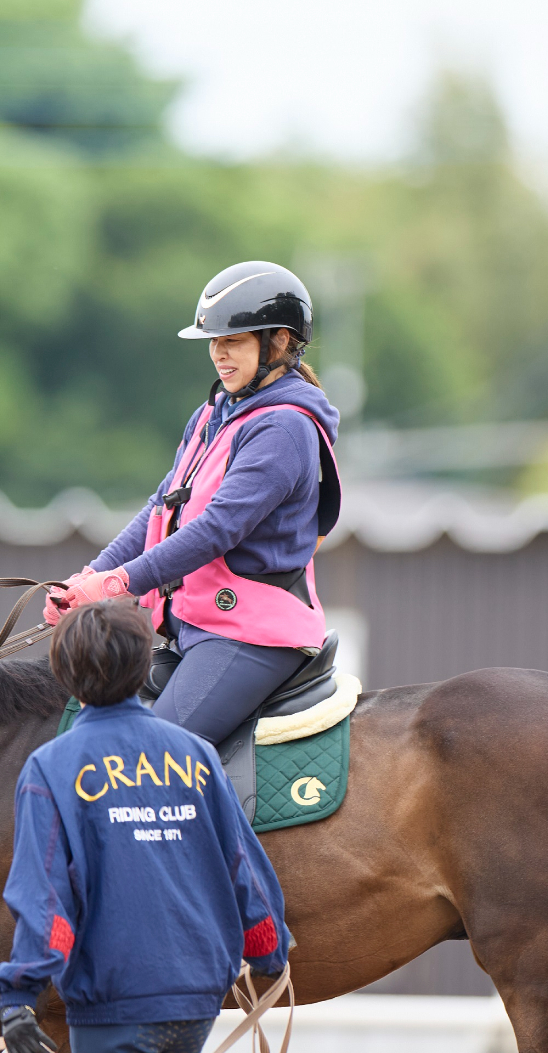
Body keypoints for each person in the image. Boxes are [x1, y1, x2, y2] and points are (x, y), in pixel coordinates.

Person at [0, 600, 293, 1053]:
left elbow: (45, 896)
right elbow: (242, 862)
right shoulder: (196, 753)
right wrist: (267, 950)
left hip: (115, 1002)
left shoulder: (50, 767)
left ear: (63, 671)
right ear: (143, 667)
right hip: (196, 1000)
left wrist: (19, 995)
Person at [44, 261, 341, 744]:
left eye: (233, 341)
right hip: (193, 629)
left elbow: (216, 529)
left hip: (249, 635)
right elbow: (160, 506)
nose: (219, 353)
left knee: (147, 756)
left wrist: (119, 583)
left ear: (279, 342)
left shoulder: (284, 428)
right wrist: (88, 578)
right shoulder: (213, 413)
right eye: (214, 341)